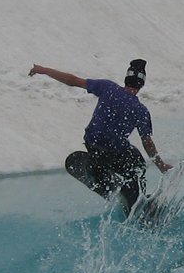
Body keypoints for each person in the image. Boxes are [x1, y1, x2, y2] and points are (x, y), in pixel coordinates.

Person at [28, 57, 172, 213]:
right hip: (115, 154)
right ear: (141, 84)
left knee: (129, 154)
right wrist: (161, 165)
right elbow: (147, 143)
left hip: (94, 146)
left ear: (126, 78)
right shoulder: (141, 110)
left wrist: (45, 70)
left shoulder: (107, 87)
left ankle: (102, 173)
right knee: (137, 162)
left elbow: (73, 80)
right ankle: (138, 198)